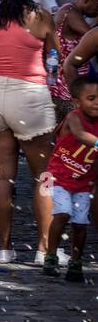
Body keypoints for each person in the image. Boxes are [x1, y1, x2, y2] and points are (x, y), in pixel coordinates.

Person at [0, 0, 61, 265]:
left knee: (1, 178)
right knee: (44, 176)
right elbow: (55, 53)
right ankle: (44, 249)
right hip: (30, 94)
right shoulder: (39, 15)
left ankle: (4, 247)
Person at [42, 75, 98, 281]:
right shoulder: (74, 117)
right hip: (58, 177)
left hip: (83, 183)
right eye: (91, 98)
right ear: (76, 101)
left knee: (81, 224)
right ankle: (51, 255)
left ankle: (76, 261)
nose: (97, 102)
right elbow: (81, 135)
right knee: (63, 214)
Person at [54, 0, 98, 123]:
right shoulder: (70, 12)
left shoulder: (70, 10)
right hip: (67, 83)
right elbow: (91, 36)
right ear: (87, 0)